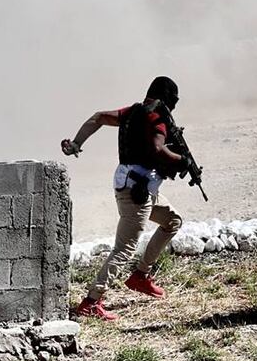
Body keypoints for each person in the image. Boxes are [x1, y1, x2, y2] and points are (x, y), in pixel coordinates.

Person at [61, 76, 187, 321]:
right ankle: (91, 301)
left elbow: (98, 117)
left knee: (172, 221)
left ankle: (141, 276)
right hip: (137, 193)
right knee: (125, 248)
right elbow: (158, 149)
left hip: (138, 187)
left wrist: (77, 143)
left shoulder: (132, 112)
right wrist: (180, 160)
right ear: (169, 98)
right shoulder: (156, 119)